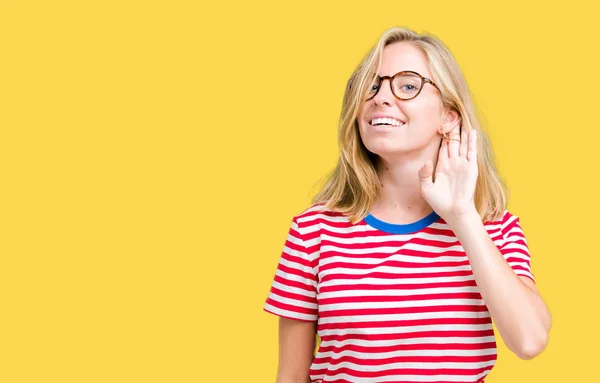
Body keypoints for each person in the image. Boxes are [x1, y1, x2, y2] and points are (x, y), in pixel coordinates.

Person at [263, 26, 552, 383]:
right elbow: (290, 377)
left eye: (408, 85)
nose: (381, 97)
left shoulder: (494, 228)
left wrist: (462, 217)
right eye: (371, 84)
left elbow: (530, 340)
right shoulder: (313, 232)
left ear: (449, 114)